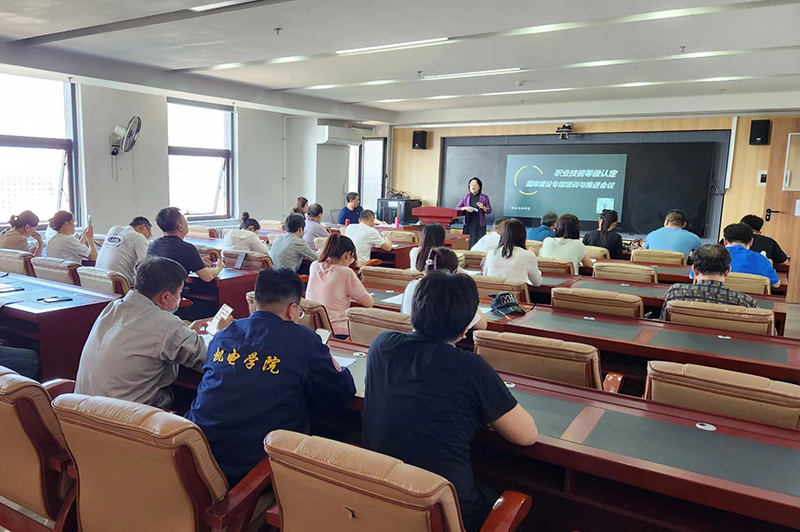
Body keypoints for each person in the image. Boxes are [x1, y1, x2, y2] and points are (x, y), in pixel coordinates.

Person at [363, 271, 538, 532]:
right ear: (465, 328)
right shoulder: (471, 367)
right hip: (445, 510)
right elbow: (526, 436)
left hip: (382, 499)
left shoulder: (382, 345)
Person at [186, 268, 356, 486]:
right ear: (292, 309)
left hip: (195, 452)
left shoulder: (224, 335)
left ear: (256, 302)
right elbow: (343, 389)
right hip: (251, 470)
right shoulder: (303, 339)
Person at [75, 257, 231, 409]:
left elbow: (146, 337)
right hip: (128, 419)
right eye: (179, 293)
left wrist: (186, 331)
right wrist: (222, 333)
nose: (180, 298)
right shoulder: (169, 326)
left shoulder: (112, 308)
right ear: (165, 297)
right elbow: (213, 360)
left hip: (82, 413)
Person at [661, 244, 757, 320]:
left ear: (694, 270)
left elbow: (663, 321)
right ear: (727, 271)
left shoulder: (676, 292)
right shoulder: (746, 302)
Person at [402, 247, 487, 331]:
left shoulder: (413, 285)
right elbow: (482, 325)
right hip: (440, 339)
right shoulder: (451, 291)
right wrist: (470, 299)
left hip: (410, 335)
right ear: (455, 272)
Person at [306, 234, 374, 339]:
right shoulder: (345, 272)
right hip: (336, 331)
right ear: (347, 255)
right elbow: (369, 303)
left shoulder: (314, 265)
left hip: (311, 328)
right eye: (352, 258)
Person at [147, 207, 224, 282]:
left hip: (153, 289)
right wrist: (219, 266)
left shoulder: (153, 245)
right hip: (174, 290)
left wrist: (198, 264)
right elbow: (208, 277)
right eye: (185, 221)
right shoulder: (187, 249)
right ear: (180, 227)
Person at [482, 218, 543, 286]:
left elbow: (485, 276)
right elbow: (537, 283)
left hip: (493, 292)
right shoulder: (528, 255)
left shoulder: (491, 253)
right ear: (523, 235)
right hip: (515, 292)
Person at [95, 216, 152, 285]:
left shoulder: (114, 229)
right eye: (150, 234)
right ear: (143, 227)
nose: (148, 238)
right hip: (119, 283)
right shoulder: (139, 237)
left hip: (98, 279)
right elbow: (144, 266)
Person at [723, 223, 780, 288]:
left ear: (725, 241)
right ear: (751, 242)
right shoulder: (761, 260)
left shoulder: (715, 256)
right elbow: (776, 284)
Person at [456, 177, 492, 249]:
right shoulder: (465, 197)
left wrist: (483, 207)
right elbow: (457, 208)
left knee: (479, 242)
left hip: (479, 223)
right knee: (467, 242)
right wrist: (465, 208)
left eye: (475, 185)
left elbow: (489, 210)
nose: (473, 186)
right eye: (471, 185)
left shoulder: (484, 197)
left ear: (479, 187)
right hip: (468, 223)